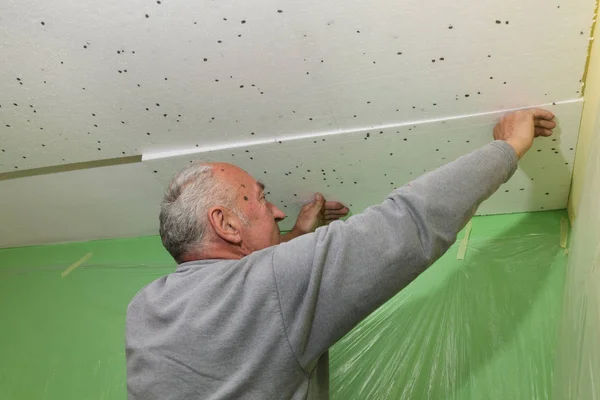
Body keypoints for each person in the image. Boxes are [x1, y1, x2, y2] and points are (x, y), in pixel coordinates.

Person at [126, 109, 557, 399]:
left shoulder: (145, 312)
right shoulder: (269, 289)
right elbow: (405, 225)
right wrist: (507, 148)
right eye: (260, 198)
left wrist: (294, 235)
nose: (276, 210)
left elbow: (245, 294)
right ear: (225, 224)